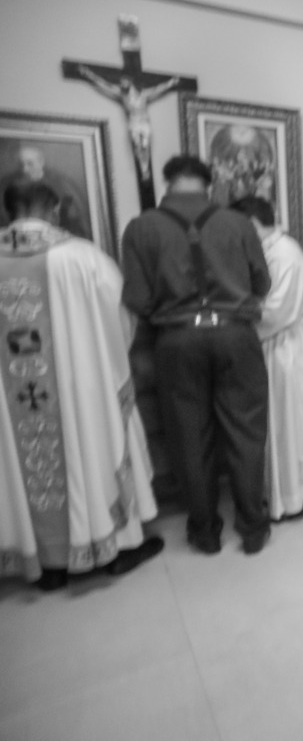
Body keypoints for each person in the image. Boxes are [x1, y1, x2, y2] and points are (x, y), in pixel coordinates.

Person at [0, 179, 162, 591]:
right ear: (52, 209)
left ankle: (44, 562)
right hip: (78, 388)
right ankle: (109, 547)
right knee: (89, 447)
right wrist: (106, 363)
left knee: (18, 464)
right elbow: (119, 313)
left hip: (11, 398)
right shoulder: (80, 257)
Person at [121, 155, 272, 555]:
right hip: (236, 335)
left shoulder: (141, 228)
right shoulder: (238, 223)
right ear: (209, 185)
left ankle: (205, 532)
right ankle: (253, 528)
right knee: (246, 432)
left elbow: (136, 299)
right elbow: (262, 283)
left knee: (188, 436)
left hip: (177, 340)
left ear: (168, 182)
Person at [230, 195, 303, 521]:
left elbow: (276, 312)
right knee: (278, 422)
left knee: (291, 421)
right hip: (273, 345)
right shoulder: (268, 250)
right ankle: (281, 492)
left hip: (285, 346)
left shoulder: (285, 253)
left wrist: (237, 316)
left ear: (252, 223)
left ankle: (299, 496)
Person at [76, 64, 179, 181]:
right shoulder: (122, 95)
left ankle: (145, 167)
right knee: (137, 146)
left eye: (124, 82)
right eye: (121, 83)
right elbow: (104, 84)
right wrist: (89, 74)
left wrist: (171, 82)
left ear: (130, 83)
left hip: (144, 123)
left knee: (145, 146)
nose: (122, 85)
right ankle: (144, 170)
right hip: (133, 123)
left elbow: (158, 89)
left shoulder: (143, 95)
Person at [0, 144, 91, 238]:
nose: (24, 169)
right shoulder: (5, 183)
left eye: (30, 163)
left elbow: (72, 216)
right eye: (21, 164)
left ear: (41, 162)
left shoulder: (62, 185)